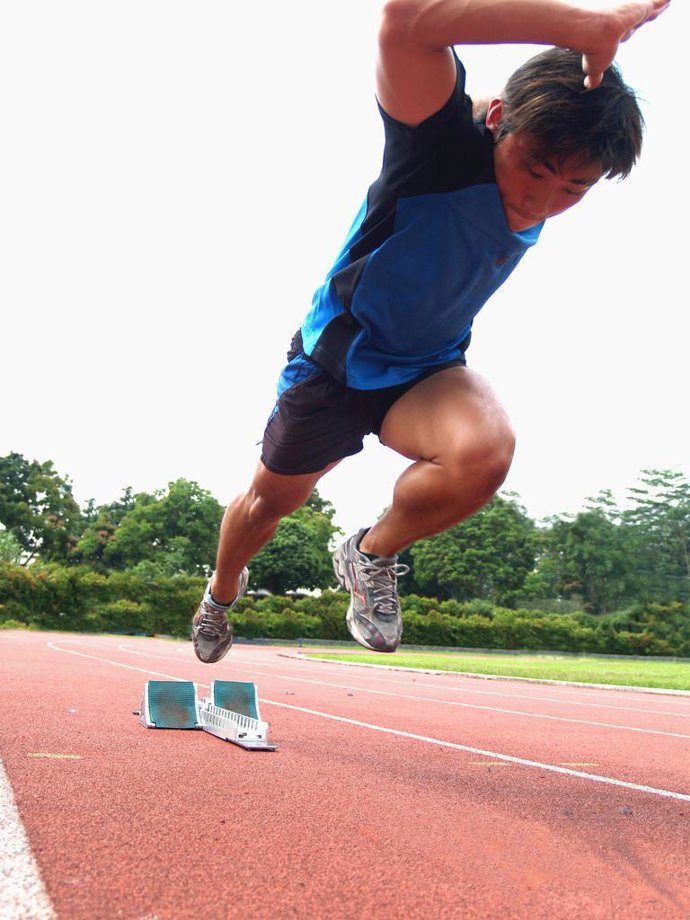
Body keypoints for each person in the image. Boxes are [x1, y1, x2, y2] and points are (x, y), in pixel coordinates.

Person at [192, 0, 670, 663]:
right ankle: (219, 593)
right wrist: (582, 28)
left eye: (573, 190)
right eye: (534, 168)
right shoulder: (437, 147)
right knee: (271, 503)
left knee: (486, 451)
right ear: (499, 121)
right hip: (339, 364)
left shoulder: (541, 164)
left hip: (426, 370)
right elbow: (406, 19)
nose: (542, 199)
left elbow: (548, 155)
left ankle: (370, 553)